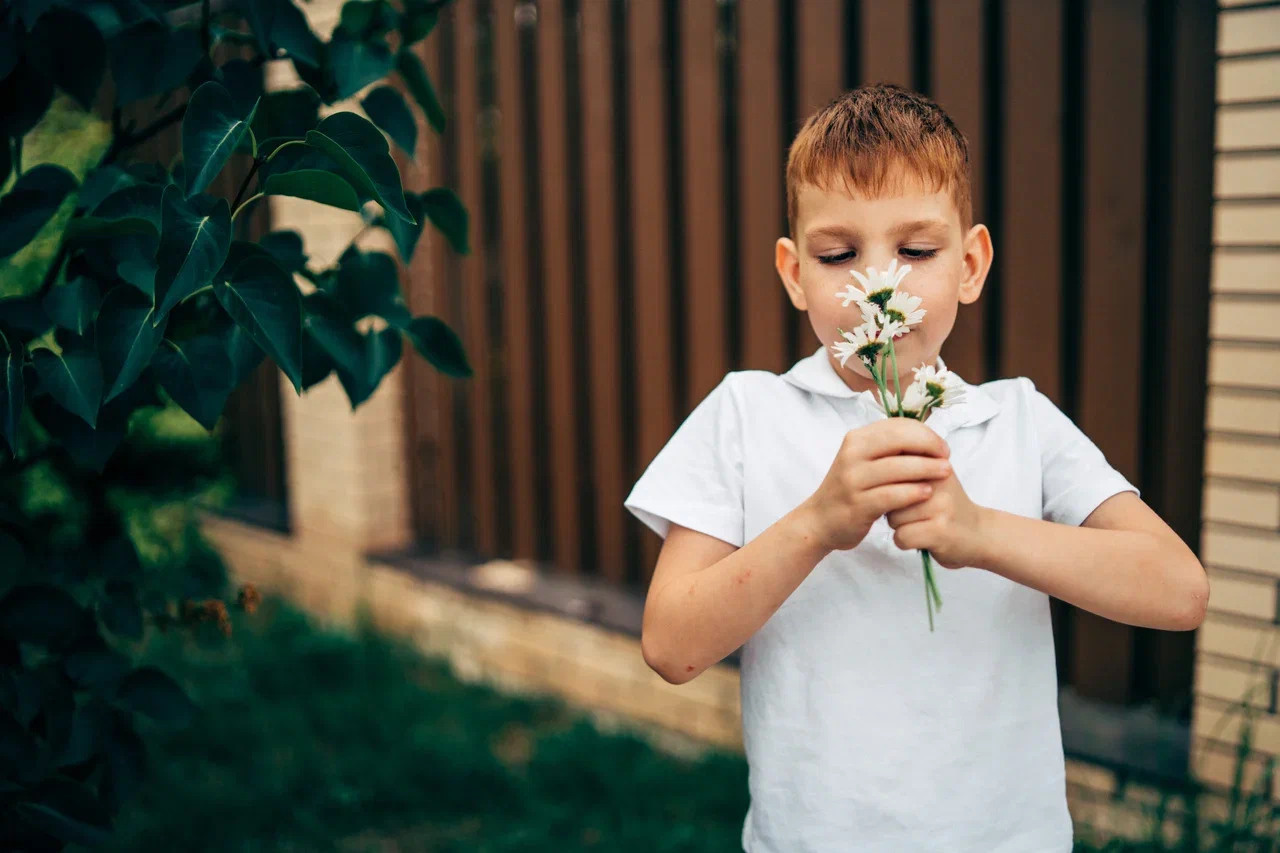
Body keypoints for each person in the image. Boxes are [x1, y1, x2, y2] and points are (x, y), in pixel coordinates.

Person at [622, 83, 1208, 853]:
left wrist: (980, 531)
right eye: (840, 256)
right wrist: (816, 524)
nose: (882, 287)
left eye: (916, 251)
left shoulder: (1016, 420)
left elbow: (1179, 589)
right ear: (795, 273)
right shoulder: (748, 414)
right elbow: (671, 644)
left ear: (970, 264)